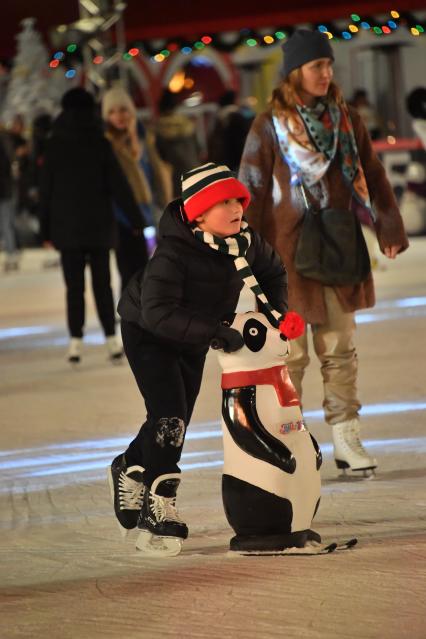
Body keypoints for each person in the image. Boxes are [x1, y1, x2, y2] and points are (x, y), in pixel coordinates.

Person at [239, 29, 409, 476]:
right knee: (290, 355)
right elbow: (251, 190)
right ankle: (285, 438)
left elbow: (372, 173)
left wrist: (388, 225)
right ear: (296, 71)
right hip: (286, 257)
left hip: (336, 247)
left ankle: (345, 436)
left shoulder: (346, 118)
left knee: (339, 347)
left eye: (329, 65)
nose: (326, 72)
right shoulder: (269, 125)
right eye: (318, 65)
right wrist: (246, 253)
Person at [108, 162, 288, 553]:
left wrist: (276, 315)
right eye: (222, 202)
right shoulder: (173, 253)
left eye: (237, 200)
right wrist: (217, 332)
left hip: (195, 334)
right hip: (148, 333)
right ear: (199, 215)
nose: (236, 208)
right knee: (170, 415)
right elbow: (157, 313)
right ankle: (160, 505)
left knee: (174, 419)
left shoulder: (245, 240)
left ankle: (128, 464)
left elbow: (273, 271)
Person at [39, 87, 143, 364]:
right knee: (103, 284)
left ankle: (75, 342)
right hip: (99, 226)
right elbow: (118, 185)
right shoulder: (99, 141)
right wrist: (136, 219)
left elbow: (45, 190)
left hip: (66, 227)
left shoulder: (54, 144)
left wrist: (45, 230)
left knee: (74, 286)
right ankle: (111, 339)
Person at [102, 86, 151, 291]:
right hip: (121, 214)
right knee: (129, 271)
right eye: (112, 112)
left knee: (146, 269)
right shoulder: (107, 144)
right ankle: (131, 318)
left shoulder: (142, 139)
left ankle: (143, 316)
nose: (119, 116)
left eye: (123, 110)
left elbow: (151, 174)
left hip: (145, 209)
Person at [154, 89, 200, 197]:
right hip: (195, 176)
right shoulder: (188, 125)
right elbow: (199, 149)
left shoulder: (159, 131)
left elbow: (160, 159)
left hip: (175, 181)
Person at [208, 89, 255, 172]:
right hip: (236, 163)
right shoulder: (237, 117)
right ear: (234, 101)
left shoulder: (218, 119)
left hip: (221, 164)